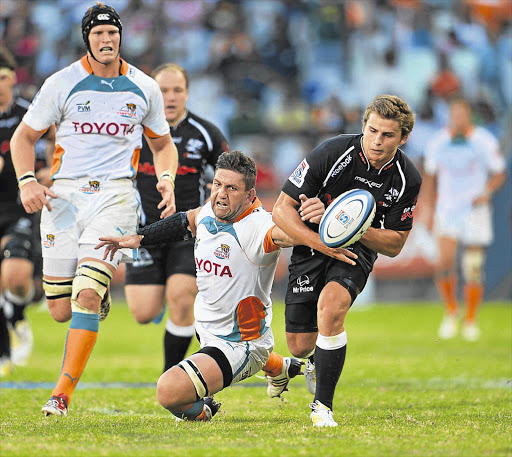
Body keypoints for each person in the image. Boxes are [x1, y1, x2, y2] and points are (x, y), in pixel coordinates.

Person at [9, 2, 178, 416]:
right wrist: (28, 180)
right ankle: (92, 292)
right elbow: (23, 139)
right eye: (99, 34)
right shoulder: (61, 83)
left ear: (121, 37)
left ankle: (61, 395)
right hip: (63, 200)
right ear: (87, 38)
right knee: (59, 309)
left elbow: (162, 144)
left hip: (115, 197)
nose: (107, 40)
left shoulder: (144, 87)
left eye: (113, 33)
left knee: (84, 295)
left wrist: (166, 179)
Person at [96, 150, 305, 421]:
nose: (221, 194)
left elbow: (286, 234)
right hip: (207, 330)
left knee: (169, 392)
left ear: (250, 196)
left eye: (232, 188)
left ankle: (205, 410)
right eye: (218, 184)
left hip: (239, 345)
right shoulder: (212, 210)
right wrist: (139, 238)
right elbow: (187, 220)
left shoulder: (260, 227)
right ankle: (280, 367)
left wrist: (313, 220)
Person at [272, 94, 422, 427]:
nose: (377, 141)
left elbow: (396, 244)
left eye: (387, 135)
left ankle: (322, 407)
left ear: (404, 138)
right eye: (372, 131)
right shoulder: (332, 151)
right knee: (298, 345)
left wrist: (353, 224)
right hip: (311, 242)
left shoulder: (407, 178)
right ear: (363, 126)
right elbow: (281, 209)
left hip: (357, 248)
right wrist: (321, 239)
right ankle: (311, 362)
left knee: (332, 307)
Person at [125, 63, 229, 373]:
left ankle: (171, 377)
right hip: (143, 231)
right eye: (163, 91)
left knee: (183, 300)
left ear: (187, 93)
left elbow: (234, 171)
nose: (170, 97)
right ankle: (159, 302)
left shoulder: (205, 133)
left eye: (177, 90)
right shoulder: (132, 130)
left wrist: (220, 190)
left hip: (188, 231)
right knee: (143, 312)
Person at [422, 96, 506, 341]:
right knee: (445, 262)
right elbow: (430, 177)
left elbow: (500, 173)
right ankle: (451, 311)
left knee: (473, 266)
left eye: (461, 114)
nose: (457, 119)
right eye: (453, 114)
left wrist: (487, 191)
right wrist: (427, 208)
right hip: (447, 209)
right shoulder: (438, 142)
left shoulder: (483, 141)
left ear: (468, 115)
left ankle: (471, 319)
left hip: (474, 210)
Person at [0, 47, 52, 376]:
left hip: (19, 206)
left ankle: (19, 314)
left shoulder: (27, 115)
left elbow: (49, 163)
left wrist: (40, 177)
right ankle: (4, 356)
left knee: (16, 277)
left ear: (13, 79)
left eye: (3, 78)